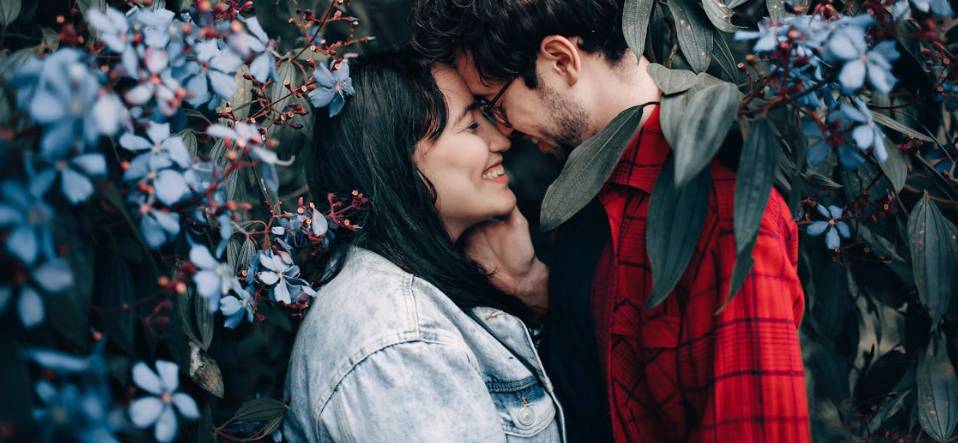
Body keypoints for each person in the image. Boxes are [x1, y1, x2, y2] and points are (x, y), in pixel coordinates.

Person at [413, 1, 811, 442]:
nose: (502, 133)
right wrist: (535, 291)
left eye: (496, 105)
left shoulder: (722, 212)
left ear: (561, 61)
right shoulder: (586, 189)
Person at [282, 51, 564, 442]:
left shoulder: (417, 295)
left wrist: (528, 287)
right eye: (470, 126)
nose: (501, 139)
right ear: (399, 158)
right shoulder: (399, 344)